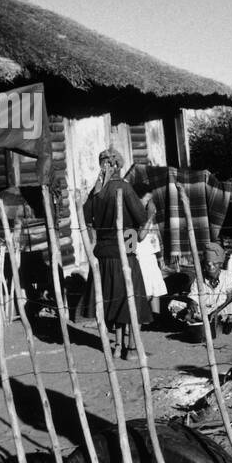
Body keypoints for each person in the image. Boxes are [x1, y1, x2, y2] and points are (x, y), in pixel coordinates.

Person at [82, 147, 151, 360]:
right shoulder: (123, 189)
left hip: (103, 256)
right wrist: (149, 211)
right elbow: (140, 219)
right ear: (116, 166)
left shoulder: (97, 192)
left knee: (113, 299)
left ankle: (118, 346)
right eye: (119, 166)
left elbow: (86, 215)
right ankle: (130, 349)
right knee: (129, 298)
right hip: (125, 254)